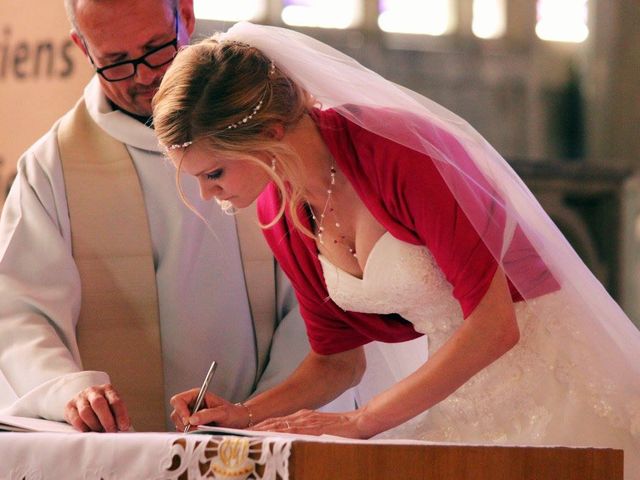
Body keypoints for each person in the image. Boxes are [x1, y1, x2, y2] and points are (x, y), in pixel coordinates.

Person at [153, 23, 640, 477]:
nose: (206, 195)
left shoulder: (399, 151)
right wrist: (242, 414)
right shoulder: (279, 213)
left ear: (270, 134)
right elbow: (338, 362)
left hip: (551, 373)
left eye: (213, 173)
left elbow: (495, 326)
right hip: (454, 387)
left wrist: (363, 421)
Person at [0, 0, 355, 434]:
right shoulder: (52, 166)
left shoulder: (267, 131)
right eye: (115, 62)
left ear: (185, 15)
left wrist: (258, 411)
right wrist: (68, 391)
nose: (144, 75)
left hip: (262, 433)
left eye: (155, 49)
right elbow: (21, 312)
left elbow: (320, 301)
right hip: (115, 451)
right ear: (83, 48)